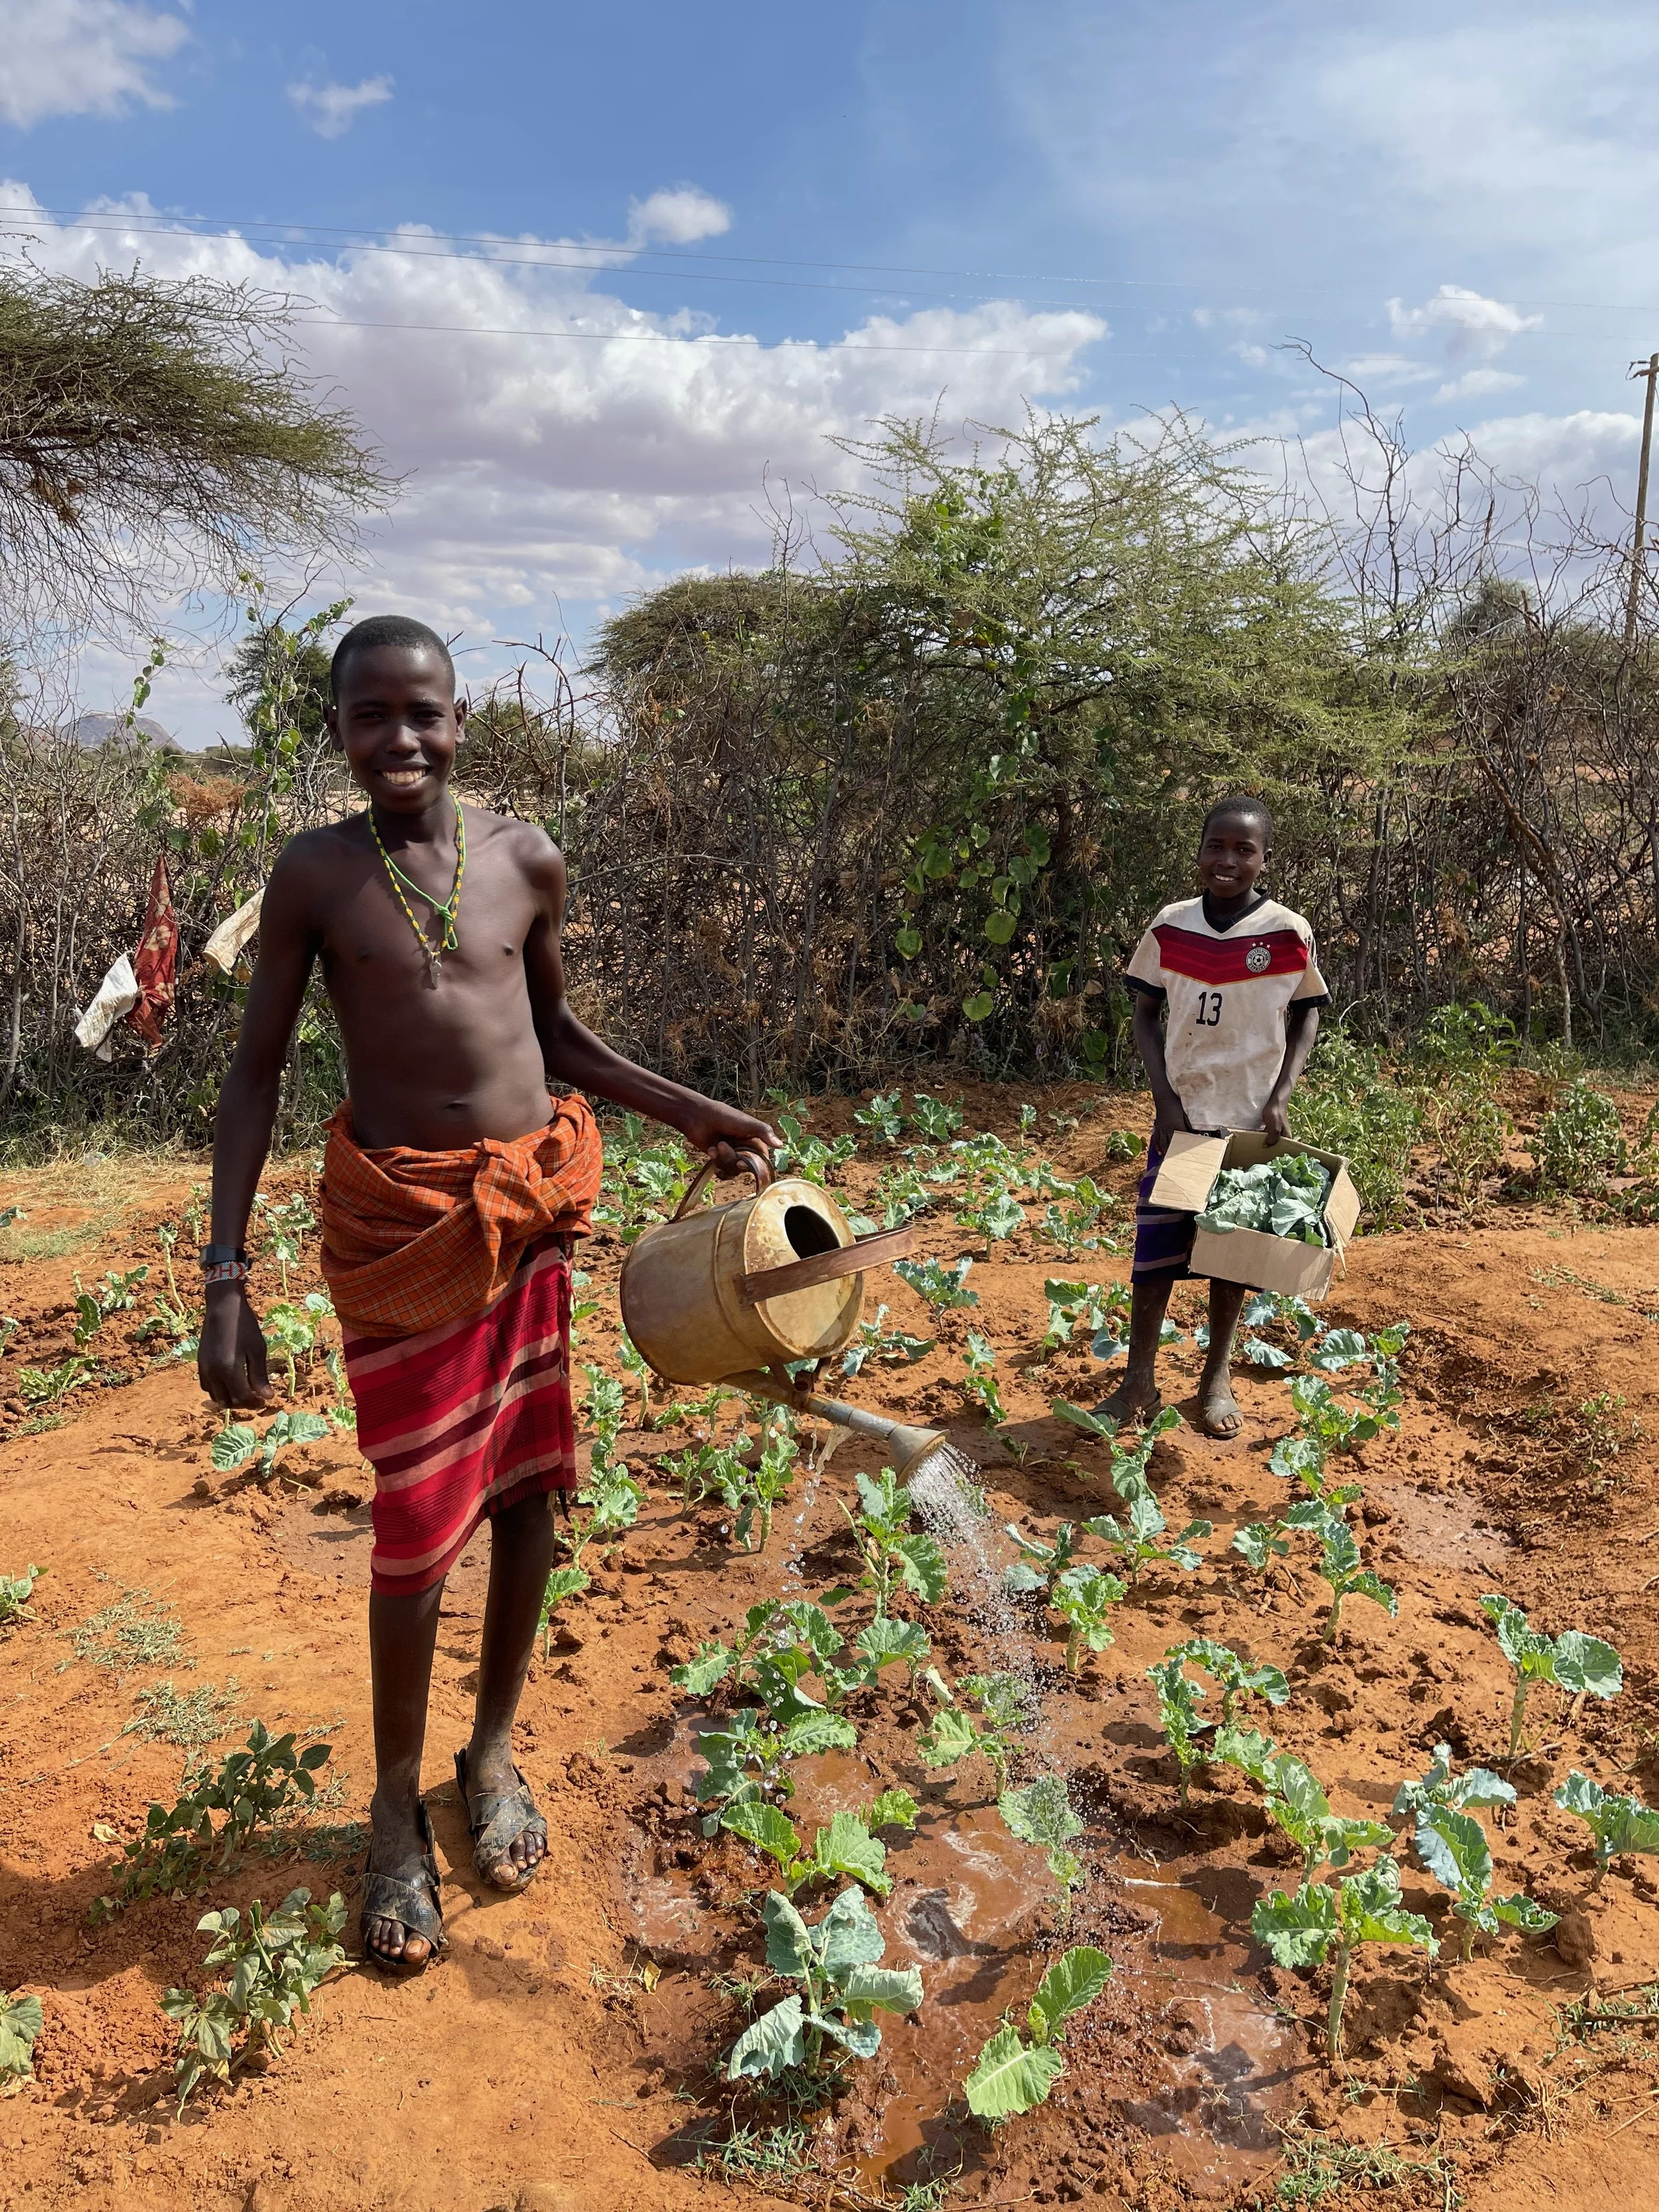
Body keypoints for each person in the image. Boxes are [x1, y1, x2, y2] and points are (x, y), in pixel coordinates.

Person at [197, 614, 778, 1972]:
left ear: (462, 720)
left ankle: (491, 1746)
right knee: (414, 1528)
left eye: (424, 714)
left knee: (529, 1493)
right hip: (403, 1232)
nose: (399, 739)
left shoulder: (524, 858)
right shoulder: (315, 876)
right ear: (336, 731)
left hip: (529, 1215)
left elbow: (556, 1034)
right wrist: (225, 1274)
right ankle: (393, 1809)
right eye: (369, 717)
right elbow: (256, 1075)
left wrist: (688, 1110)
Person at [1101, 796, 1327, 1439]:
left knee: (1232, 1260)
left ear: (1263, 860)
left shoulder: (1287, 932)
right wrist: (1164, 1102)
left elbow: (1308, 1009)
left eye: (1243, 850)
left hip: (1248, 1130)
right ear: (1199, 852)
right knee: (1155, 1257)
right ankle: (1138, 1380)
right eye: (1216, 847)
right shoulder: (1170, 927)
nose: (1227, 860)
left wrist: (1282, 1092)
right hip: (1183, 1124)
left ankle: (1214, 1379)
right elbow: (1144, 1015)